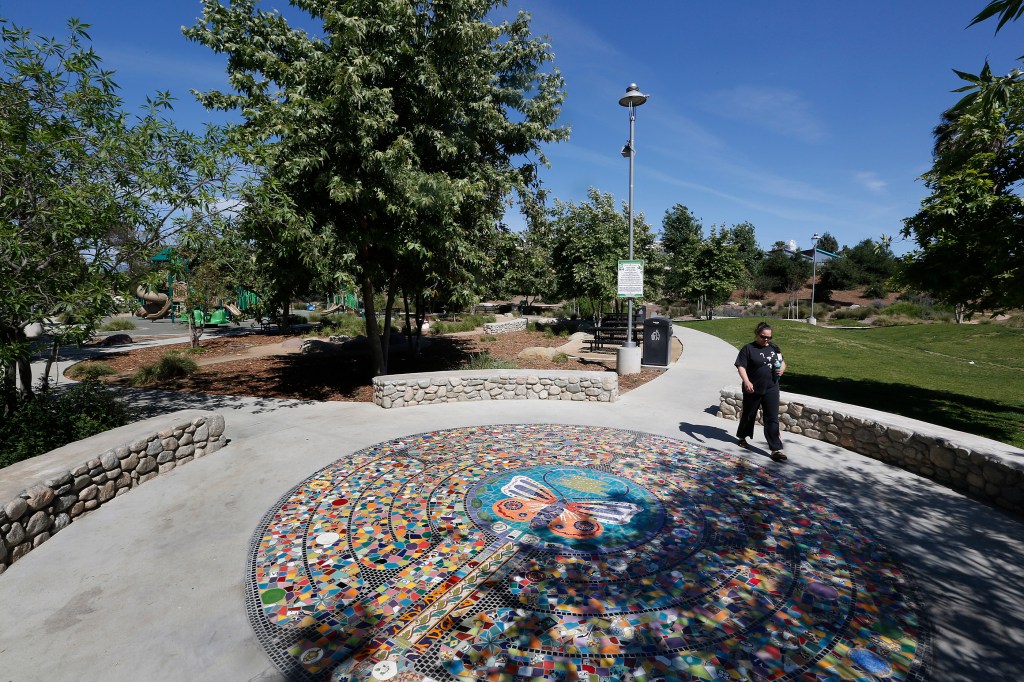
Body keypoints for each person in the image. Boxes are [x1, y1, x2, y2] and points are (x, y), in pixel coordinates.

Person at [734, 321, 787, 461]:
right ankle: (742, 437)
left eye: (769, 337)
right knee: (749, 415)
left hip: (772, 388)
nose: (766, 340)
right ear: (757, 334)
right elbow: (741, 366)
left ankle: (775, 449)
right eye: (763, 337)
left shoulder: (774, 348)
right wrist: (746, 381)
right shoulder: (748, 349)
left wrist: (782, 368)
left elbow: (782, 361)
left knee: (772, 418)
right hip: (753, 388)